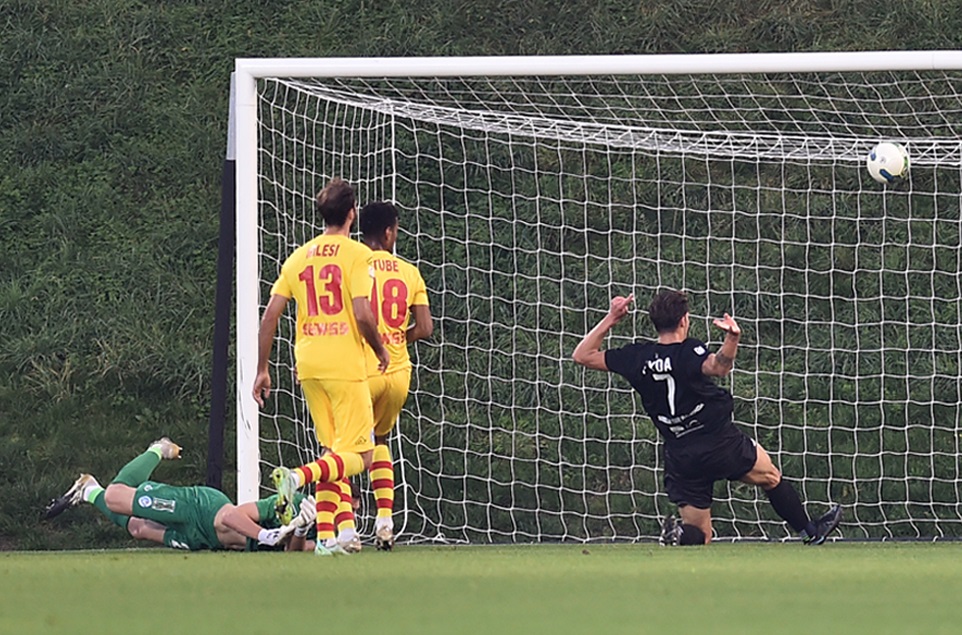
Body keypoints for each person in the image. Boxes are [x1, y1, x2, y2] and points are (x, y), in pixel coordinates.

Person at [572, 289, 842, 545]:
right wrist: (732, 338)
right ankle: (810, 533)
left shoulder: (636, 356)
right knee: (771, 477)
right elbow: (718, 367)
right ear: (683, 321)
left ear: (655, 323)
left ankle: (678, 533)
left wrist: (612, 317)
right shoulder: (688, 350)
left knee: (701, 535)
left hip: (681, 456)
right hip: (719, 442)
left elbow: (582, 355)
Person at [252, 178, 390, 556]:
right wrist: (380, 349)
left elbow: (270, 317)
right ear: (352, 213)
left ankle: (334, 536)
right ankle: (297, 476)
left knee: (335, 451)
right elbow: (362, 312)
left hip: (308, 364)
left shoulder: (298, 257)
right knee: (361, 457)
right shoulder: (357, 254)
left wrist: (263, 369)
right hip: (344, 364)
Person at [43, 438, 316, 552]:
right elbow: (228, 517)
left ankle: (89, 490)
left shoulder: (317, 528)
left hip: (203, 540)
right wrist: (263, 534)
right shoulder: (296, 500)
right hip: (200, 509)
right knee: (116, 496)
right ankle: (158, 449)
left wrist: (300, 530)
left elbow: (292, 551)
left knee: (138, 528)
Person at [352, 201, 433, 551]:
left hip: (361, 370)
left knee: (345, 449)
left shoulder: (353, 264)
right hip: (398, 373)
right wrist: (398, 337)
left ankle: (346, 530)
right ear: (388, 232)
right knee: (380, 441)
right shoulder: (410, 271)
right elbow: (426, 328)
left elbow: (352, 316)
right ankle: (385, 523)